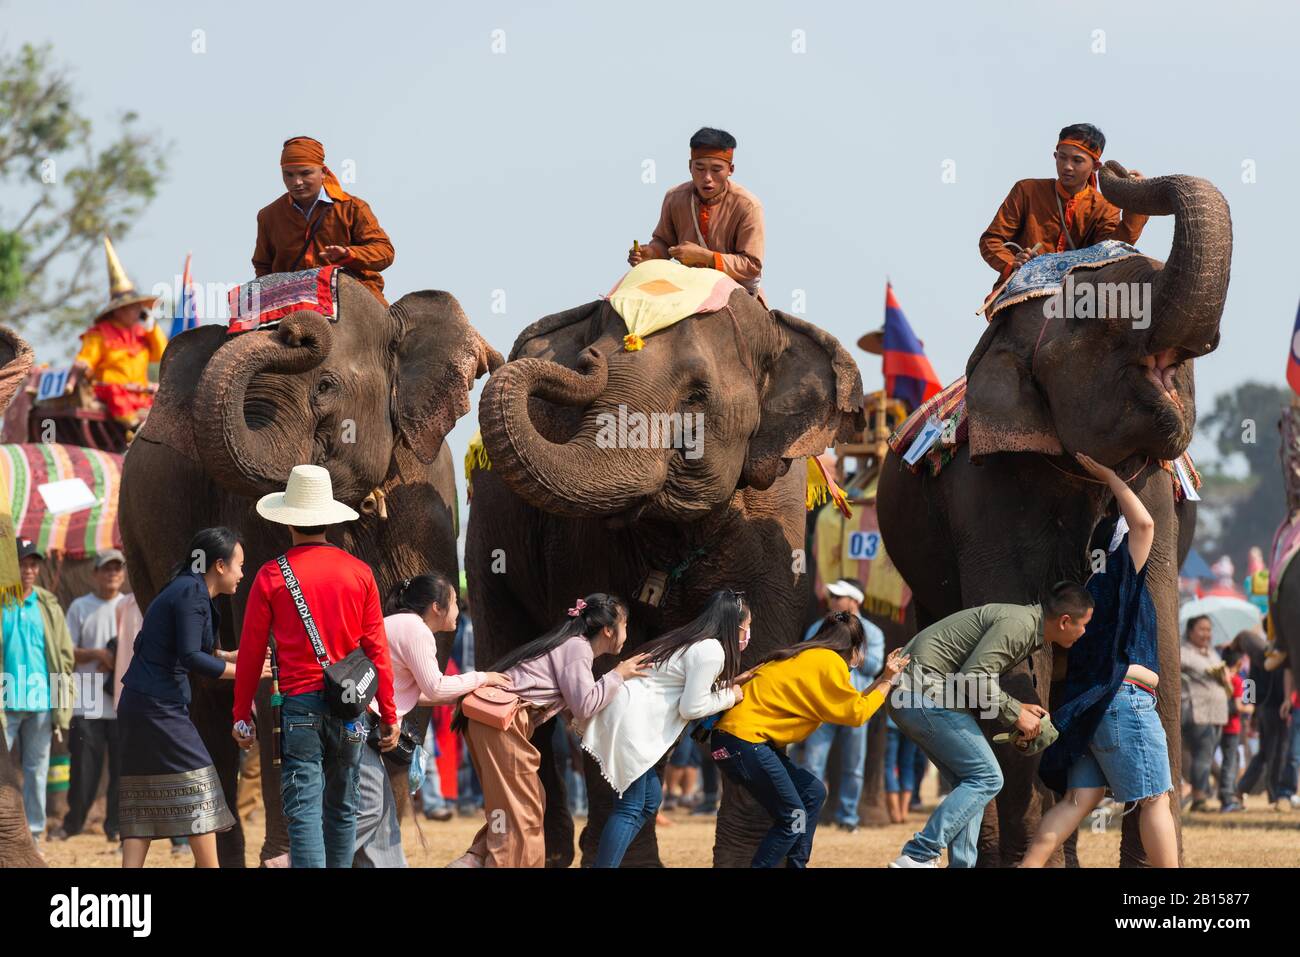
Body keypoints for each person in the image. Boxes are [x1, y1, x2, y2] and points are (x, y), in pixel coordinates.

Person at [231, 464, 399, 868]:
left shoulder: (271, 575)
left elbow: (251, 653)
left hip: (299, 708)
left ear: (288, 521)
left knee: (303, 809)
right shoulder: (360, 573)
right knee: (343, 807)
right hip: (351, 709)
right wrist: (389, 713)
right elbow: (377, 650)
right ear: (330, 520)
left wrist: (241, 715)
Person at [1024, 454, 1177, 867]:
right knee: (1154, 799)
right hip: (1126, 703)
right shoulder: (1120, 578)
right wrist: (1110, 477)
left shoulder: (1088, 589)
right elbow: (1145, 524)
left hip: (1092, 708)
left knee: (1079, 799)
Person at [889, 582, 1094, 868]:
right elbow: (974, 677)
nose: (1084, 632)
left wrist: (1017, 708)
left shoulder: (1024, 624)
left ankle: (961, 865)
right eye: (1083, 624)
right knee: (987, 777)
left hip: (914, 696)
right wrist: (1015, 714)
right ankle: (919, 853)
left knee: (971, 780)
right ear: (1064, 621)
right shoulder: (1019, 625)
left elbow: (971, 676)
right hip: (923, 695)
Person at [448, 594, 649, 868]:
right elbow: (585, 705)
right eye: (626, 624)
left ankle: (473, 860)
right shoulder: (577, 649)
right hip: (502, 724)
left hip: (492, 721)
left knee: (523, 803)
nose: (627, 632)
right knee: (523, 809)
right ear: (609, 629)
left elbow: (572, 706)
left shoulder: (570, 646)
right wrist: (618, 674)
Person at [711, 613, 908, 868]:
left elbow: (854, 703)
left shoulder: (807, 655)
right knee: (793, 817)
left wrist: (883, 678)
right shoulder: (828, 662)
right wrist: (889, 680)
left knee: (813, 792)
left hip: (733, 742)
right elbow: (858, 714)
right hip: (743, 742)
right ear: (854, 647)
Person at [581, 588, 749, 868]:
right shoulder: (711, 650)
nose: (747, 632)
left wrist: (726, 688)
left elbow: (686, 691)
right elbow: (692, 708)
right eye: (747, 625)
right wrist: (731, 696)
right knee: (631, 805)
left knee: (649, 799)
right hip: (632, 721)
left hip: (629, 716)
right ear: (734, 625)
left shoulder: (696, 642)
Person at [353, 572, 510, 867]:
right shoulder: (416, 630)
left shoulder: (402, 624)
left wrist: (467, 692)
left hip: (358, 721)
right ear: (436, 607)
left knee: (384, 815)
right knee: (372, 810)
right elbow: (435, 687)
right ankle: (302, 860)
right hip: (358, 725)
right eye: (453, 603)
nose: (457, 610)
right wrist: (482, 678)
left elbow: (420, 693)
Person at [117, 529, 246, 867]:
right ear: (219, 565)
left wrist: (230, 655)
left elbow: (189, 649)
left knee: (141, 792)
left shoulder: (188, 589)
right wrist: (242, 672)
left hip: (140, 703)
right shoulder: (191, 593)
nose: (242, 574)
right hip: (158, 707)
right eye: (240, 565)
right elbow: (191, 657)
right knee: (200, 783)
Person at [978, 123, 1147, 289]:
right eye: (1062, 157)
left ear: (1095, 167)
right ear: (1055, 156)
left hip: (1077, 289)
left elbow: (1110, 251)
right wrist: (1012, 263)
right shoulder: (1026, 190)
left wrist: (1137, 199)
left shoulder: (1105, 207)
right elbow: (991, 240)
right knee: (1006, 315)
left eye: (1077, 160)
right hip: (1021, 284)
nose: (1067, 166)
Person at [253, 136, 395, 304]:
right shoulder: (269, 215)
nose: (296, 182)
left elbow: (385, 252)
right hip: (294, 303)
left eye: (305, 173)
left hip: (352, 299)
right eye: (288, 174)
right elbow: (263, 265)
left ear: (324, 172)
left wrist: (350, 254)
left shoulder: (353, 208)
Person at [628, 127, 765, 300]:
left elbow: (751, 265)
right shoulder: (674, 197)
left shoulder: (748, 205)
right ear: (689, 166)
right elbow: (664, 242)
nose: (707, 177)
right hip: (685, 285)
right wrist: (651, 253)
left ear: (731, 169)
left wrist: (705, 257)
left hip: (734, 291)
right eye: (699, 168)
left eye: (716, 170)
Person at [1, 537, 75, 846]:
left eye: (33, 563)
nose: (28, 569)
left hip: (42, 700)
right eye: (22, 563)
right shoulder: (2, 601)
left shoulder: (47, 604)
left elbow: (63, 653)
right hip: (5, 703)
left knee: (36, 771)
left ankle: (32, 836)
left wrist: (62, 696)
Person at [796, 578, 885, 832]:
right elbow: (806, 660)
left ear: (855, 600)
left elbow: (875, 667)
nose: (832, 600)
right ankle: (806, 818)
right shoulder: (818, 626)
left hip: (856, 705)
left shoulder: (874, 633)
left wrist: (846, 646)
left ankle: (848, 818)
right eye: (832, 596)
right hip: (822, 706)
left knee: (854, 767)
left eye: (838, 596)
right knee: (812, 763)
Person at [53, 549, 129, 843]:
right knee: (84, 769)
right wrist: (97, 653)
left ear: (123, 574)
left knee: (123, 771)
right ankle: (73, 824)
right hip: (88, 703)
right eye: (106, 569)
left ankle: (116, 828)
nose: (112, 574)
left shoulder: (130, 605)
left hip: (123, 702)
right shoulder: (79, 607)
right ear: (94, 573)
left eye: (117, 569)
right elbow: (66, 650)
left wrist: (118, 656)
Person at [71, 237, 167, 429]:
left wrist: (151, 326)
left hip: (141, 395)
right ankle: (133, 428)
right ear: (118, 310)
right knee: (115, 392)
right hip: (110, 394)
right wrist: (83, 365)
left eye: (137, 307)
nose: (136, 311)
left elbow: (162, 355)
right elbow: (85, 359)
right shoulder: (99, 334)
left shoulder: (143, 332)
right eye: (131, 308)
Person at [1179, 615, 1232, 812]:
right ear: (1190, 631)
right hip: (1197, 711)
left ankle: (1203, 793)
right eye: (1201, 629)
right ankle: (1199, 798)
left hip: (1217, 712)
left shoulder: (1212, 652)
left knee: (1207, 755)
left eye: (1208, 629)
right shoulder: (1184, 651)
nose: (1205, 634)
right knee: (1202, 754)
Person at [1218, 646, 1251, 813]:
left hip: (1221, 725)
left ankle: (1227, 795)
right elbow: (1239, 706)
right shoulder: (1237, 680)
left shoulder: (1222, 678)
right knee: (1230, 763)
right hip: (1233, 727)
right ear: (1239, 663)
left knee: (1231, 760)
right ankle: (1227, 797)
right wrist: (1250, 709)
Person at [884, 713, 919, 824]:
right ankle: (904, 812)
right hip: (913, 722)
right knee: (908, 765)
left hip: (891, 721)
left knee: (889, 765)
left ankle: (895, 813)